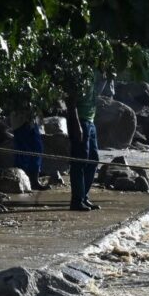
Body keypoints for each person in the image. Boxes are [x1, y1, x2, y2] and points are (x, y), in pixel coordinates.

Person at [67, 77, 106, 211]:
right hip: (80, 121)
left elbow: (98, 90)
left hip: (90, 121)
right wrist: (76, 125)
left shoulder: (97, 74)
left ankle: (84, 197)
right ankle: (76, 201)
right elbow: (71, 102)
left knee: (93, 160)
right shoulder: (80, 72)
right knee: (79, 161)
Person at [10, 112, 50, 191]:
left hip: (29, 119)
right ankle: (25, 181)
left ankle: (32, 180)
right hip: (22, 120)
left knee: (35, 148)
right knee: (25, 151)